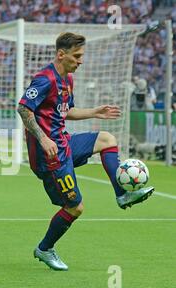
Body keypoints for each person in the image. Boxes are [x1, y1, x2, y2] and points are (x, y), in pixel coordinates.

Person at [17, 32, 154, 271]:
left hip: (64, 143)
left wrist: (95, 112)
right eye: (77, 56)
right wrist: (43, 139)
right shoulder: (44, 79)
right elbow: (23, 109)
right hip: (49, 158)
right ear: (61, 54)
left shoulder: (67, 79)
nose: (81, 61)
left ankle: (122, 194)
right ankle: (45, 248)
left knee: (107, 139)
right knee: (75, 208)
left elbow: (65, 111)